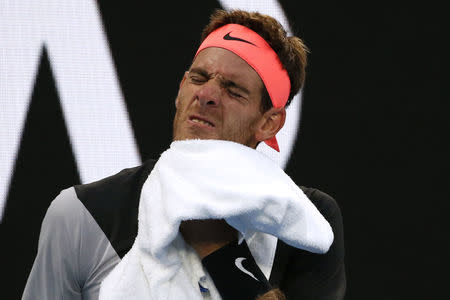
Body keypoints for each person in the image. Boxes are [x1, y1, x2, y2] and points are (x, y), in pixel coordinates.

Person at [22, 9, 345, 300]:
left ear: (269, 122)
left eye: (233, 89)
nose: (206, 95)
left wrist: (216, 246)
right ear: (181, 90)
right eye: (199, 78)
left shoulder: (308, 222)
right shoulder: (80, 214)